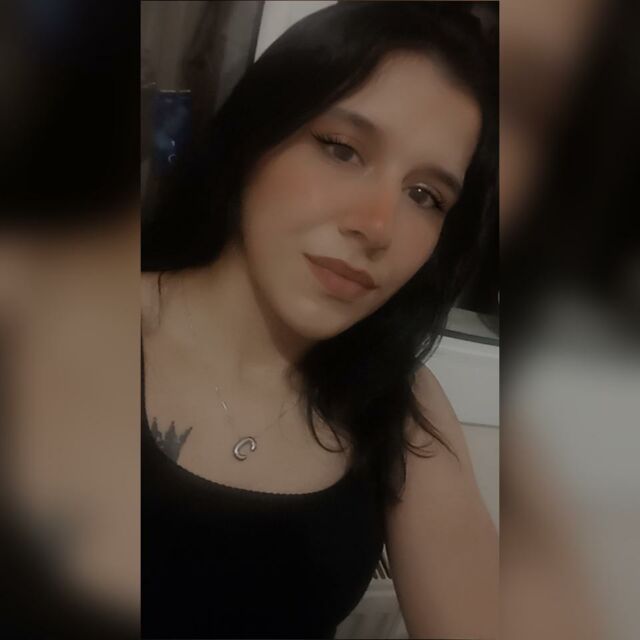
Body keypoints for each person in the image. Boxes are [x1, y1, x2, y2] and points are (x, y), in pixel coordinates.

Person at [141, 3, 498, 638]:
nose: (378, 226)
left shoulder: (402, 408)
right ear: (255, 135)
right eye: (342, 149)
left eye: (425, 195)